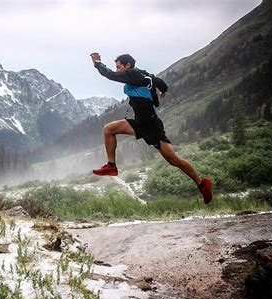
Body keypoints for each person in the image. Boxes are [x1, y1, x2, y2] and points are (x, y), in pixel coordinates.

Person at [90, 52, 213, 204]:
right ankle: (111, 166)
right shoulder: (142, 73)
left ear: (127, 66)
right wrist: (163, 90)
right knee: (109, 129)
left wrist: (97, 63)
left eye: (119, 67)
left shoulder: (131, 74)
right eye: (116, 67)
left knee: (173, 159)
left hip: (151, 125)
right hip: (139, 122)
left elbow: (109, 75)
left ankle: (202, 184)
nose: (117, 70)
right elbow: (158, 80)